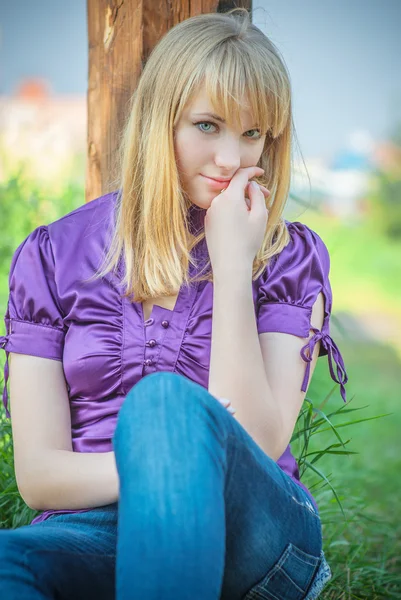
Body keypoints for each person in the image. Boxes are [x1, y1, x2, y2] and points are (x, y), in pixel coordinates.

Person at [0, 8, 348, 600]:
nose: (231, 159)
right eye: (208, 125)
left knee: (165, 405)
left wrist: (234, 265)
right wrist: (161, 469)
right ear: (160, 120)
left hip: (257, 532)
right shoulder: (53, 256)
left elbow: (261, 441)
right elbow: (39, 478)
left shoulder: (287, 257)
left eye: (253, 133)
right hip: (94, 529)